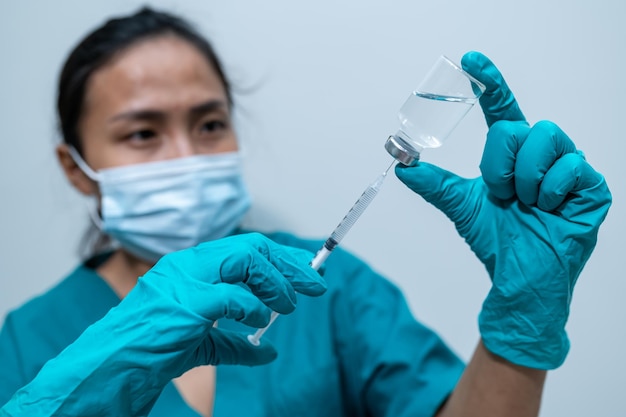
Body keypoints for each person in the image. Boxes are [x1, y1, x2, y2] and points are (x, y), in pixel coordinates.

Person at [0, 6, 611, 417]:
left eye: (210, 124)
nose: (186, 155)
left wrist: (519, 321)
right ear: (76, 167)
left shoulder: (325, 285)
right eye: (141, 134)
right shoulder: (31, 337)